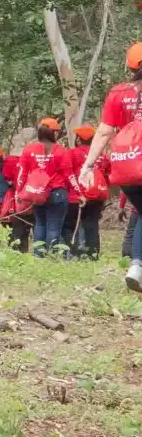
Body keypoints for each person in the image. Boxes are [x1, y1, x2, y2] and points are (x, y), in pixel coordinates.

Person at [75, 43, 142, 291]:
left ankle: (136, 265)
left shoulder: (118, 92)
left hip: (127, 168)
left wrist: (87, 165)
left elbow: (103, 132)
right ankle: (137, 265)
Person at [13, 119, 74, 254]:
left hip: (37, 193)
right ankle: (52, 255)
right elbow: (69, 176)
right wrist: (78, 193)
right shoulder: (61, 151)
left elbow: (22, 174)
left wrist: (18, 192)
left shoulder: (29, 150)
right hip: (57, 193)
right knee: (54, 227)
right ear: (55, 133)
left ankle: (39, 254)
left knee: (39, 224)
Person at [70, 127, 109, 259]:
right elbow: (107, 174)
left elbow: (67, 172)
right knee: (92, 224)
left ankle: (76, 252)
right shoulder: (101, 156)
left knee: (75, 224)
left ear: (79, 139)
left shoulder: (73, 153)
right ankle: (93, 253)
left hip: (79, 195)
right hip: (97, 195)